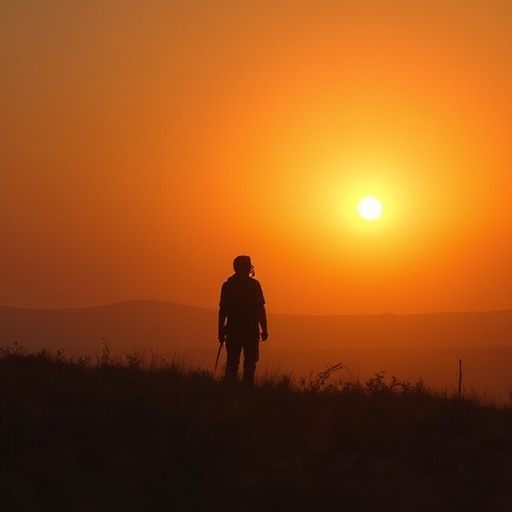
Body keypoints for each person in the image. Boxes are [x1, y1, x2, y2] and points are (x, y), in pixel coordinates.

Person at [218, 255, 268, 386]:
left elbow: (223, 310)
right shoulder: (254, 285)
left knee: (232, 363)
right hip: (250, 330)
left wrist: (221, 330)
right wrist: (264, 329)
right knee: (250, 364)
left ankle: (230, 391)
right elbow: (260, 309)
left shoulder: (228, 286)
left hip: (233, 330)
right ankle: (247, 390)